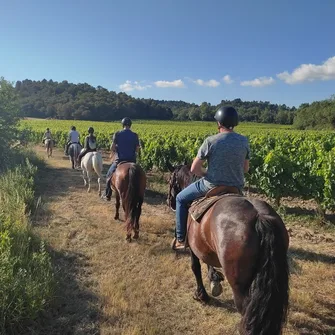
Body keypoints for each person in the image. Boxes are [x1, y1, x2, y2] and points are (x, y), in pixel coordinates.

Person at [172, 106, 250, 250]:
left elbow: (194, 169)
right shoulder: (244, 141)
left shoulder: (211, 141)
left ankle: (181, 238)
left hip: (212, 184)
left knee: (180, 199)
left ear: (219, 123)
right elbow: (246, 168)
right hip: (236, 187)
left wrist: (207, 173)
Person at [102, 117, 140, 201]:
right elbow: (137, 149)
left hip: (120, 160)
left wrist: (116, 148)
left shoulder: (118, 134)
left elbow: (112, 147)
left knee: (109, 175)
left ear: (122, 124)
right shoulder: (135, 135)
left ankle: (108, 194)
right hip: (132, 160)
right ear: (130, 125)